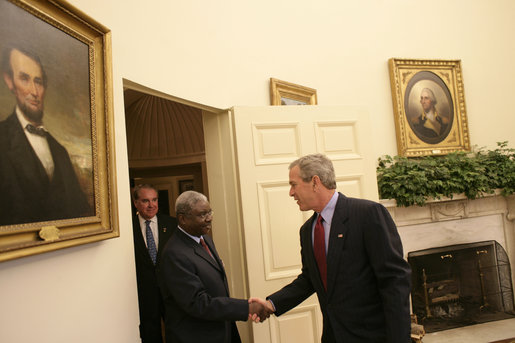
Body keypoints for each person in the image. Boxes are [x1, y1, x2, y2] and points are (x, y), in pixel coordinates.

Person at [251, 153, 412, 342]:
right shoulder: (307, 230)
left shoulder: (367, 214)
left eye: (293, 184)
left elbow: (395, 280)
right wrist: (272, 304)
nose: (291, 193)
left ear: (315, 182)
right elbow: (310, 279)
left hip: (374, 336)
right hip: (333, 336)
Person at [159, 190, 269, 343]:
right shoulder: (175, 253)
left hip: (220, 330)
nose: (209, 218)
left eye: (210, 212)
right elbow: (198, 303)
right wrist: (246, 308)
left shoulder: (205, 239)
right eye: (202, 215)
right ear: (182, 219)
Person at [0, 45, 91, 225]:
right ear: (9, 81)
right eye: (24, 79)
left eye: (39, 82)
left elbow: (82, 212)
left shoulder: (60, 152)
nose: (34, 92)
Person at [132, 184, 177, 343]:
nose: (151, 205)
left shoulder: (172, 224)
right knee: (150, 334)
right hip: (144, 293)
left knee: (177, 331)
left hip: (170, 290)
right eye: (145, 201)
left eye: (154, 200)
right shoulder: (128, 228)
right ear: (136, 202)